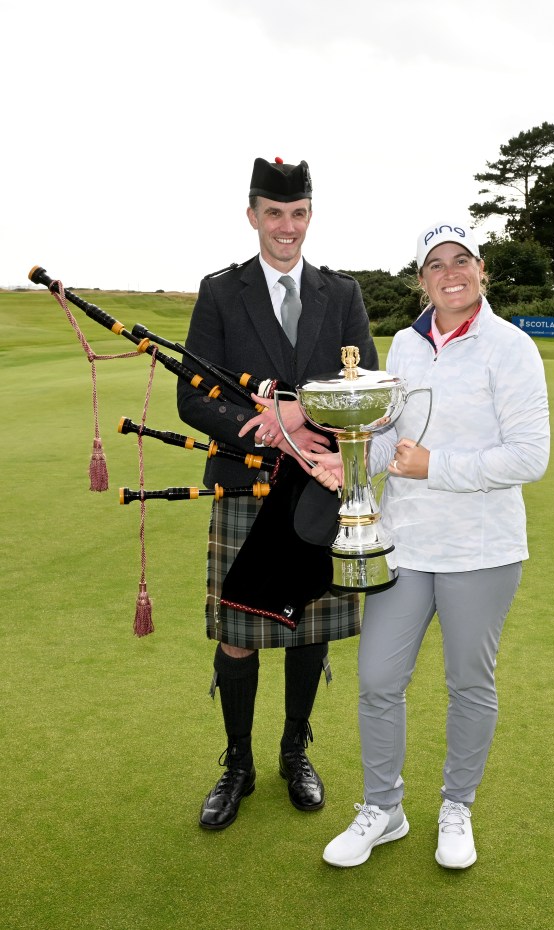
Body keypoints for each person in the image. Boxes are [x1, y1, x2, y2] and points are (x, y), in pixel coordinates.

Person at [313, 220, 550, 868]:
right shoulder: (406, 346)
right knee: (378, 677)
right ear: (421, 280)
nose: (451, 273)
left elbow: (531, 456)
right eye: (436, 264)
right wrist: (352, 462)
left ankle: (456, 807)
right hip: (405, 544)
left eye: (462, 260)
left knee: (469, 683)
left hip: (483, 549)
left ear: (482, 270)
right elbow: (394, 439)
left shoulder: (512, 348)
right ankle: (383, 810)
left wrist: (434, 466)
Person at [177, 156, 378, 831]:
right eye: (274, 213)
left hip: (317, 485)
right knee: (238, 634)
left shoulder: (340, 293)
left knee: (306, 629)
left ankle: (296, 752)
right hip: (245, 480)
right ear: (253, 214)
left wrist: (295, 414)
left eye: (297, 213)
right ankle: (238, 764)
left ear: (309, 215)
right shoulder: (221, 292)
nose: (286, 227)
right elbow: (191, 397)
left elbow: (365, 389)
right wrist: (260, 430)